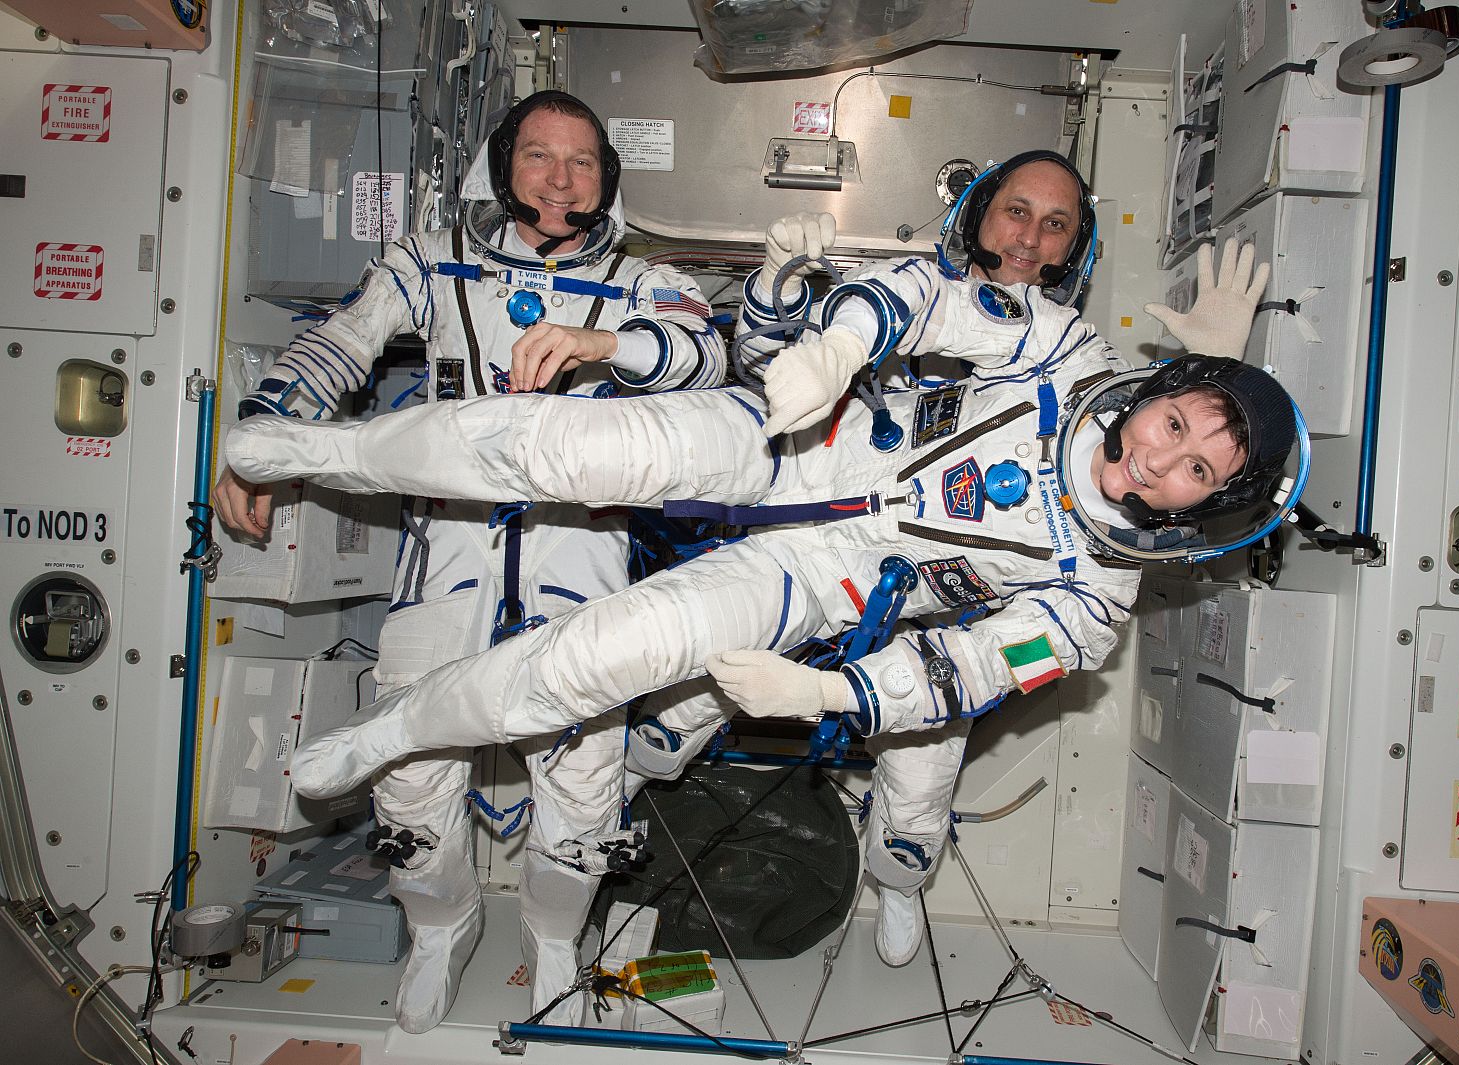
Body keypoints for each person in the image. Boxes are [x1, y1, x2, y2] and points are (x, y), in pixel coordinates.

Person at [223, 150, 1297, 994]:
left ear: (1201, 511)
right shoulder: (1065, 353)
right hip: (805, 442)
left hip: (858, 601)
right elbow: (923, 302)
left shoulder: (1094, 603)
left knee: (648, 676)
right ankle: (322, 453)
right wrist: (832, 346)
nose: (1158, 460)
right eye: (1173, 425)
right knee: (560, 446)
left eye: (1197, 472)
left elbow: (973, 669)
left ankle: (894, 880)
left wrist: (834, 693)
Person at [211, 91, 725, 1032]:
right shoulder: (430, 262)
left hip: (580, 572)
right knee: (408, 783)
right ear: (501, 167)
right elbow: (339, 344)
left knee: (583, 796)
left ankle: (554, 934)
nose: (561, 180)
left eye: (582, 161)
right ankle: (442, 925)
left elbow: (703, 358)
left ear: (607, 177)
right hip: (447, 564)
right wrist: (258, 439)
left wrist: (602, 342)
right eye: (539, 156)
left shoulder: (643, 281)